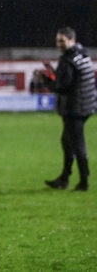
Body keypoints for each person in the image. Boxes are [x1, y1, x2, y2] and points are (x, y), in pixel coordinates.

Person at [36, 27, 96, 191]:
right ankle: (64, 178)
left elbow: (61, 87)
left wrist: (45, 79)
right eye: (57, 40)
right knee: (67, 142)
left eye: (62, 40)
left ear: (72, 40)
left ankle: (84, 182)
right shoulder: (82, 55)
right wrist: (54, 73)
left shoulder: (68, 60)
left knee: (77, 145)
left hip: (74, 108)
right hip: (85, 105)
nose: (59, 44)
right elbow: (72, 81)